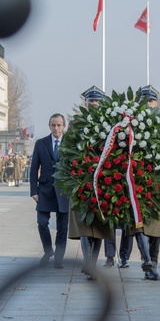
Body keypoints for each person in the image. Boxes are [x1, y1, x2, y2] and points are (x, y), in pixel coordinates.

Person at [66, 86, 115, 280]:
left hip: (103, 180)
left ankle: (92, 263)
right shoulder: (76, 123)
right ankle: (88, 263)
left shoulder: (109, 123)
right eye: (91, 101)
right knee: (84, 225)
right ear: (84, 103)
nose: (94, 104)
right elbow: (68, 149)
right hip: (82, 178)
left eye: (97, 101)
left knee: (100, 226)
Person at [30, 114, 70, 268]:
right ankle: (48, 251)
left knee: (62, 227)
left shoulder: (69, 144)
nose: (56, 128)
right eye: (53, 125)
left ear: (64, 126)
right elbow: (34, 168)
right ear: (49, 126)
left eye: (59, 125)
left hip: (64, 191)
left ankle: (59, 258)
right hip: (45, 190)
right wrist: (34, 191)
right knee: (42, 223)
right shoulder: (41, 143)